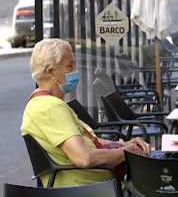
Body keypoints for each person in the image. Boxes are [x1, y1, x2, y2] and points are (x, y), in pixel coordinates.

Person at [21, 39, 151, 187]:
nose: (75, 70)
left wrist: (125, 145)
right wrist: (127, 152)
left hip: (100, 182)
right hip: (95, 186)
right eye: (70, 65)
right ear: (51, 72)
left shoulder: (45, 102)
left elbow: (87, 141)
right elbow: (84, 157)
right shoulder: (50, 107)